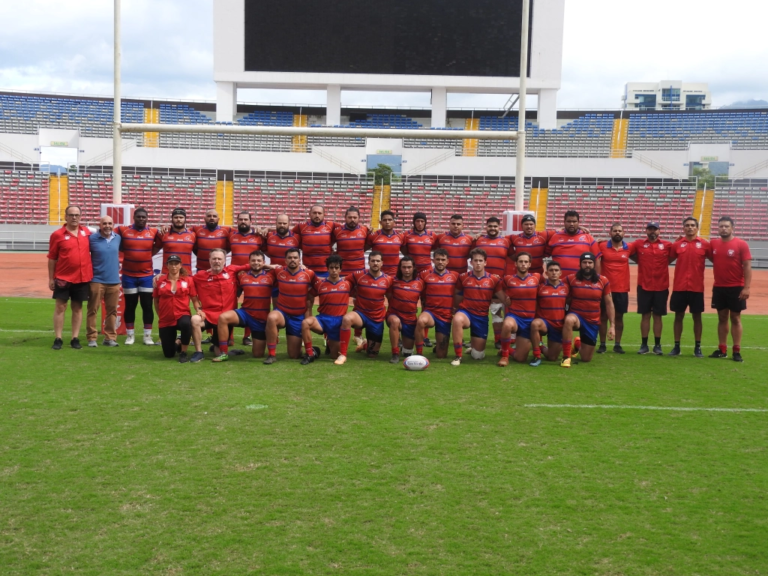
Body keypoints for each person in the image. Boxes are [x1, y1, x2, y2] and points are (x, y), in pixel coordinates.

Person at [212, 250, 274, 362]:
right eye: (253, 260)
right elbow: (225, 272)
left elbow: (284, 269)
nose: (256, 263)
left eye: (259, 261)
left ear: (264, 262)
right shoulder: (242, 275)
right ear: (249, 262)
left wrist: (268, 266)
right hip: (245, 313)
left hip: (260, 318)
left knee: (258, 354)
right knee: (223, 318)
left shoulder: (271, 276)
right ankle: (223, 352)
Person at [334, 251, 394, 365]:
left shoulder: (388, 280)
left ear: (382, 263)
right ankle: (343, 354)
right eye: (372, 261)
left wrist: (389, 315)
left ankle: (365, 344)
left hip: (376, 318)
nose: (375, 263)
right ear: (368, 262)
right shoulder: (358, 275)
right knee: (347, 319)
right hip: (360, 314)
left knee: (372, 354)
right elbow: (342, 281)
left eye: (377, 261)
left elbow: (391, 299)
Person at [47, 205, 93, 350]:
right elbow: (52, 258)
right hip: (63, 277)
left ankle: (75, 338)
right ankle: (58, 338)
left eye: (77, 215)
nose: (74, 217)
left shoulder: (87, 232)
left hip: (82, 277)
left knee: (77, 308)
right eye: (71, 215)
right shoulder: (57, 235)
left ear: (80, 216)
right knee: (61, 307)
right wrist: (50, 278)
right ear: (66, 216)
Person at [190, 248, 249, 358]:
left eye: (219, 259)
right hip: (207, 314)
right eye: (214, 259)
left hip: (225, 318)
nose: (217, 261)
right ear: (209, 260)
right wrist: (161, 276)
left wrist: (272, 267)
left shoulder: (232, 271)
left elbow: (252, 266)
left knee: (218, 353)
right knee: (194, 320)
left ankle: (223, 349)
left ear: (225, 260)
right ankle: (198, 352)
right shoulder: (199, 276)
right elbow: (184, 280)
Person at [115, 208, 162, 345]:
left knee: (147, 306)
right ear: (134, 217)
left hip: (146, 275)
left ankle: (147, 336)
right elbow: (114, 242)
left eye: (143, 217)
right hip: (129, 275)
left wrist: (147, 254)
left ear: (147, 218)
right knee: (130, 306)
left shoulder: (153, 232)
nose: (141, 219)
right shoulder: (123, 230)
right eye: (139, 217)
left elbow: (158, 245)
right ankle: (130, 335)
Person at [450, 249, 504, 366]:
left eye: (480, 260)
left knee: (478, 356)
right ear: (471, 262)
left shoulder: (493, 280)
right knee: (457, 319)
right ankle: (458, 356)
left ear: (485, 263)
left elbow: (503, 298)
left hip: (481, 317)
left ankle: (475, 348)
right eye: (475, 260)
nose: (478, 263)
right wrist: (455, 308)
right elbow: (457, 294)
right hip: (466, 312)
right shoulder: (463, 277)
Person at [560, 253, 614, 367]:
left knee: (586, 358)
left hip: (592, 321)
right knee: (569, 320)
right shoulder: (570, 279)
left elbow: (609, 303)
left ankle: (578, 344)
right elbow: (556, 285)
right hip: (576, 316)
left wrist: (612, 325)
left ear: (594, 265)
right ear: (580, 264)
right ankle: (566, 357)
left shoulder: (603, 280)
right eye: (584, 263)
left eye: (590, 263)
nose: (587, 265)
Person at [709, 216, 752, 362]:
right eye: (721, 226)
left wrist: (746, 288)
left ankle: (736, 350)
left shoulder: (741, 244)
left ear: (732, 228)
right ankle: (722, 349)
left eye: (727, 226)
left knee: (735, 317)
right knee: (722, 318)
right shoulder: (713, 243)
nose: (724, 229)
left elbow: (747, 266)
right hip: (719, 287)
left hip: (736, 287)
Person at [263, 248, 316, 364]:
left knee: (294, 355)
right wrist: (269, 265)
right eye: (290, 258)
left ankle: (313, 351)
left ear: (299, 260)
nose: (293, 260)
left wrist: (309, 297)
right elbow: (260, 266)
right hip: (282, 313)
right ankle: (271, 355)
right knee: (272, 317)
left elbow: (319, 287)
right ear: (285, 260)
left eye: (295, 258)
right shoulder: (279, 271)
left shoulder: (309, 274)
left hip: (297, 317)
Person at [668, 217, 711, 358]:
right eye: (687, 225)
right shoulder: (677, 245)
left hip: (696, 288)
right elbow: (667, 260)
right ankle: (676, 346)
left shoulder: (705, 245)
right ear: (683, 228)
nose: (690, 227)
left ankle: (697, 347)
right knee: (678, 316)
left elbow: (716, 259)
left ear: (697, 228)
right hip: (679, 287)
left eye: (693, 225)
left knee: (697, 317)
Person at [152, 255, 205, 362]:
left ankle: (183, 352)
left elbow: (194, 299)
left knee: (186, 323)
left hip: (182, 313)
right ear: (167, 266)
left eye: (176, 264)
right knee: (168, 354)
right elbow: (156, 301)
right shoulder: (160, 280)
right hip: (166, 318)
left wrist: (198, 309)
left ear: (180, 265)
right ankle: (178, 342)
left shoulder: (188, 280)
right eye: (171, 264)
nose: (174, 266)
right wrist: (160, 315)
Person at [630, 221, 671, 355]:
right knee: (645, 315)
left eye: (655, 229)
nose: (652, 231)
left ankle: (657, 345)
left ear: (659, 231)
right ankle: (644, 345)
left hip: (661, 286)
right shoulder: (638, 244)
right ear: (646, 231)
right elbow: (624, 249)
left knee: (658, 316)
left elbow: (676, 254)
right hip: (644, 285)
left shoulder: (667, 245)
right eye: (650, 229)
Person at [300, 255, 351, 364]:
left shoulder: (346, 284)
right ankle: (310, 353)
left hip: (338, 322)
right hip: (322, 320)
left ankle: (326, 345)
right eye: (331, 267)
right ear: (327, 269)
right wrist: (308, 308)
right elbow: (309, 297)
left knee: (333, 356)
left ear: (340, 269)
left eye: (336, 268)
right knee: (305, 323)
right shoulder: (320, 284)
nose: (334, 270)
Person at [474, 216, 513, 349]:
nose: (492, 228)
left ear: (499, 227)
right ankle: (479, 337)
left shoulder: (506, 241)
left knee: (500, 310)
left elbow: (514, 256)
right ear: (486, 227)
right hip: (481, 283)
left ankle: (502, 339)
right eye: (490, 226)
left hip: (500, 283)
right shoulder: (479, 240)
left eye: (495, 226)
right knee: (480, 311)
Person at [414, 248, 460, 358]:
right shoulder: (424, 275)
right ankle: (419, 354)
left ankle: (438, 347)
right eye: (438, 259)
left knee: (441, 355)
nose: (440, 262)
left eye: (443, 259)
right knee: (421, 321)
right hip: (430, 312)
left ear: (447, 261)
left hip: (445, 315)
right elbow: (416, 289)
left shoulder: (455, 276)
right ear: (433, 260)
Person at [497, 252, 541, 367]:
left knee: (520, 358)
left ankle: (506, 350)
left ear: (530, 264)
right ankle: (505, 357)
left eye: (526, 262)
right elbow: (496, 287)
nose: (523, 264)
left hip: (528, 322)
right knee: (507, 324)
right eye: (520, 262)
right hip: (514, 317)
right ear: (516, 264)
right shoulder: (508, 279)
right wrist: (504, 299)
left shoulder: (536, 278)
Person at [597, 223, 634, 354]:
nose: (617, 233)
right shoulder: (601, 246)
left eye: (620, 231)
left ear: (624, 233)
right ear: (610, 233)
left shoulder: (629, 247)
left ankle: (617, 344)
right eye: (615, 231)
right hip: (604, 289)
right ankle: (602, 344)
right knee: (603, 317)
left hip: (622, 289)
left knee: (619, 317)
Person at [229, 211, 265, 345]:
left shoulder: (258, 236)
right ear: (237, 221)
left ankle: (247, 336)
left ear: (251, 221)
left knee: (253, 305)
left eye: (246, 219)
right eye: (241, 219)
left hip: (253, 276)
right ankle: (229, 336)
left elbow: (265, 251)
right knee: (230, 305)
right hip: (235, 277)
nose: (243, 222)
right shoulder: (231, 235)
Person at [402, 212, 436, 348]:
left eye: (422, 221)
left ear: (425, 222)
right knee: (407, 302)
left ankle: (425, 336)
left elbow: (434, 249)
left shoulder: (432, 235)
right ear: (414, 222)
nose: (420, 223)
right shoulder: (407, 235)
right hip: (411, 272)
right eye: (417, 221)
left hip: (426, 273)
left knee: (425, 302)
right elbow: (404, 250)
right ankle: (404, 334)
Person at [86, 215, 121, 347]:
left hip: (114, 281)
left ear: (113, 225)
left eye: (110, 223)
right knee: (93, 310)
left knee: (112, 311)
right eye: (104, 223)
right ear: (100, 225)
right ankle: (92, 338)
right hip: (96, 280)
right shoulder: (92, 239)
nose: (107, 226)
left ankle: (109, 338)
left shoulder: (118, 238)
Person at [529, 261, 570, 366]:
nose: (554, 273)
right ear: (546, 273)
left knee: (552, 357)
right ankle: (536, 356)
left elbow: (570, 304)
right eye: (551, 270)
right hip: (544, 322)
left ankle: (541, 346)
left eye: (556, 270)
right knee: (535, 324)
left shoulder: (566, 288)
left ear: (561, 273)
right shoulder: (540, 287)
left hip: (558, 325)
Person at [386, 256, 424, 363]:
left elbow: (424, 300)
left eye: (409, 267)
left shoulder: (420, 283)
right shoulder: (393, 281)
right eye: (404, 267)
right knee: (395, 321)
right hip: (394, 315)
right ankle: (395, 354)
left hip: (410, 319)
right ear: (400, 268)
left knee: (408, 353)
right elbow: (388, 296)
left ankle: (404, 346)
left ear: (413, 268)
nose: (406, 270)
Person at [546, 210, 600, 278]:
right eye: (569, 221)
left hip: (580, 281)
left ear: (578, 223)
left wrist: (597, 278)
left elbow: (597, 259)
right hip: (559, 282)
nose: (571, 224)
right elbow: (544, 254)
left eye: (574, 221)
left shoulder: (588, 238)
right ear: (564, 222)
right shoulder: (555, 237)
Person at [263, 213, 300, 307]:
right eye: (280, 223)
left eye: (284, 223)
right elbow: (265, 251)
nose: (282, 225)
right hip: (274, 274)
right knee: (276, 304)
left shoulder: (297, 237)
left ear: (289, 224)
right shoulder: (269, 236)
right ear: (276, 223)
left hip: (291, 275)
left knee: (292, 303)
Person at [292, 205, 335, 278]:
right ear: (310, 214)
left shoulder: (330, 225)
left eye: (319, 213)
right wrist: (269, 229)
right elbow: (286, 231)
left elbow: (346, 229)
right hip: (307, 269)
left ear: (324, 214)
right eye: (314, 213)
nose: (317, 215)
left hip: (326, 270)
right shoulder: (301, 227)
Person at [333, 206, 370, 276]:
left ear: (359, 218)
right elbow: (328, 244)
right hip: (342, 271)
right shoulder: (337, 231)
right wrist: (334, 253)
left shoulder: (365, 230)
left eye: (355, 217)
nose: (352, 219)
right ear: (345, 218)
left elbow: (369, 244)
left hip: (359, 271)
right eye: (350, 217)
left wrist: (359, 251)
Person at [158, 208, 196, 274]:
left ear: (185, 219)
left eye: (181, 217)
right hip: (167, 274)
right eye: (176, 217)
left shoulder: (193, 235)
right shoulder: (164, 233)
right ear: (172, 219)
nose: (178, 219)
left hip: (186, 274)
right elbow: (154, 249)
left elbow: (198, 252)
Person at [367, 210, 404, 276]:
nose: (387, 222)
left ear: (394, 222)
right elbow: (361, 250)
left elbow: (406, 253)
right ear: (380, 222)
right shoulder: (374, 236)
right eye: (385, 220)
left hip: (395, 274)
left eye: (390, 220)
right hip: (378, 274)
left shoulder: (400, 236)